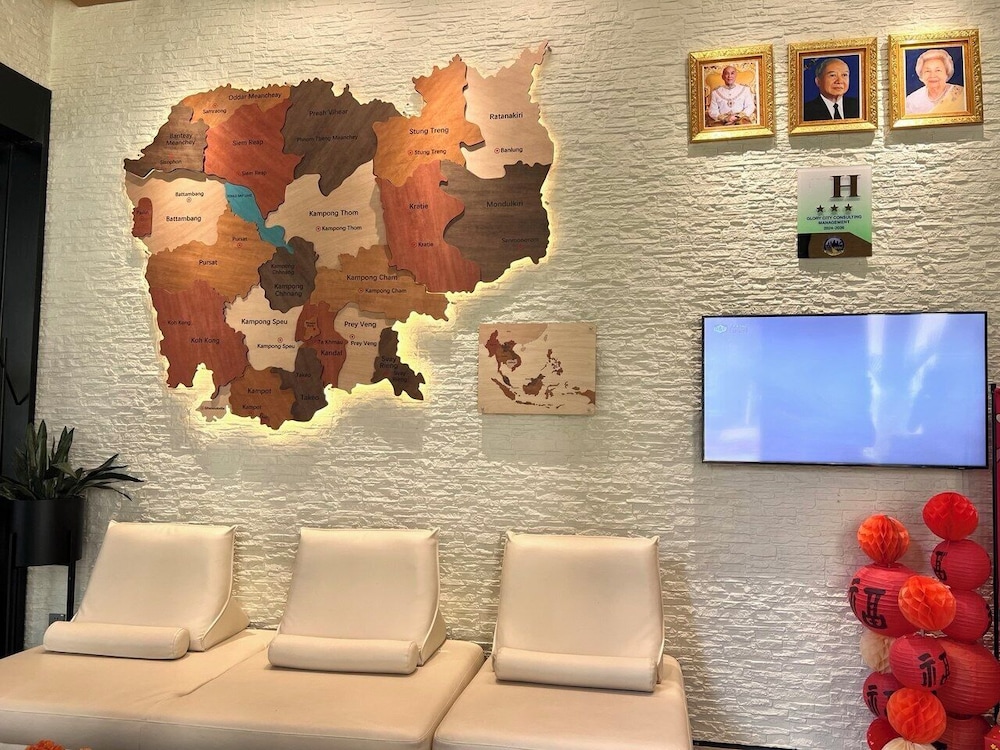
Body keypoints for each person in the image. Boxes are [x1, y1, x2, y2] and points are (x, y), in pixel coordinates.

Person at [904, 48, 966, 115]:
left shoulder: (962, 95)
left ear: (947, 73)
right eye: (927, 71)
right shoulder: (912, 101)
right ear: (921, 75)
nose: (932, 75)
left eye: (938, 70)